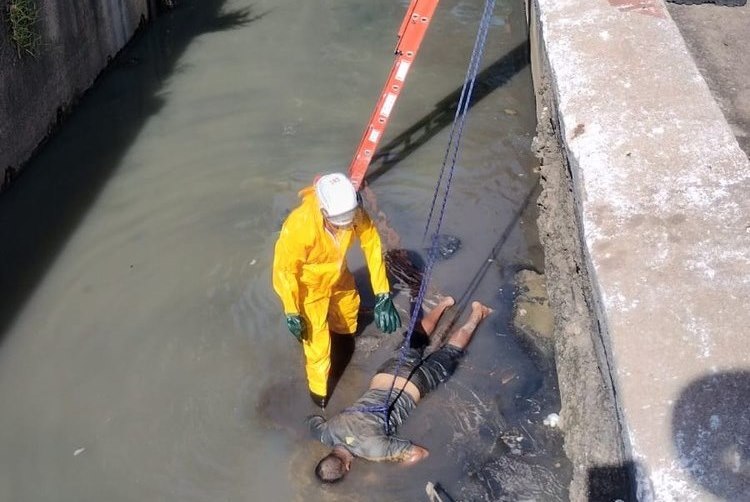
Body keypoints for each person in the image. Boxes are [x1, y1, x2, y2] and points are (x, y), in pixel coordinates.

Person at [307, 297, 493, 483]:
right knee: (416, 339)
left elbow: (419, 454)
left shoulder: (375, 450)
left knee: (451, 352)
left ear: (348, 467)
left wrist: (389, 473)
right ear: (327, 456)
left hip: (415, 385)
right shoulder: (326, 433)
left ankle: (478, 313)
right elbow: (312, 420)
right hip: (388, 373)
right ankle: (444, 304)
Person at [272, 173, 402, 408]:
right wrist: (292, 311)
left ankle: (344, 342)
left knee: (349, 311)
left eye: (349, 220)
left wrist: (382, 293)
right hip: (310, 288)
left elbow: (371, 243)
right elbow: (284, 271)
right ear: (324, 213)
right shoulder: (299, 226)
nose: (346, 226)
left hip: (338, 275)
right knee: (318, 347)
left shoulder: (353, 214)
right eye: (339, 223)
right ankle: (320, 398)